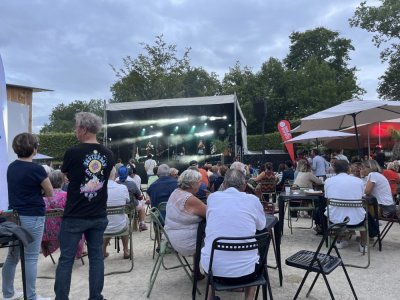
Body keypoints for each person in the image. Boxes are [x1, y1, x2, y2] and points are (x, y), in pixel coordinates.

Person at [54, 112, 114, 300]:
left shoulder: (72, 153)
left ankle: (62, 298)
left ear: (84, 129)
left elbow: (67, 177)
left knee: (66, 259)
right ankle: (96, 297)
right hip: (98, 214)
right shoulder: (108, 153)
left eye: (76, 127)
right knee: (96, 258)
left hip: (75, 214)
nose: (75, 131)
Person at [201, 169, 266, 300]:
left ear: (224, 184)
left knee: (209, 246)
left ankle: (210, 296)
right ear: (244, 185)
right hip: (248, 273)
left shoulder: (213, 198)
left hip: (214, 272)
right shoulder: (253, 200)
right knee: (252, 254)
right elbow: (261, 226)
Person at [3, 133, 54, 300]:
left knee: (13, 256)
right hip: (33, 215)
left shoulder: (11, 167)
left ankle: (8, 293)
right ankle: (31, 296)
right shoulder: (37, 169)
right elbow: (50, 192)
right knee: (31, 257)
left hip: (14, 217)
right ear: (34, 148)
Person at [324, 160, 367, 252]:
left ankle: (339, 241)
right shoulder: (359, 181)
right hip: (357, 219)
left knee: (338, 210)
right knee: (363, 214)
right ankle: (363, 244)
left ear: (335, 169)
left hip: (335, 219)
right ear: (349, 169)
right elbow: (362, 197)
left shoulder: (328, 181)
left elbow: (327, 198)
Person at [42, 170, 85, 259]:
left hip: (49, 233)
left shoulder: (43, 198)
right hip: (67, 231)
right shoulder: (67, 196)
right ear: (62, 182)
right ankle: (77, 251)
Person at [164, 169, 206, 256]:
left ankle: (197, 267)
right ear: (192, 184)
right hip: (187, 243)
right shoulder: (189, 199)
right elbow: (211, 214)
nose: (200, 184)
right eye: (199, 182)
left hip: (173, 237)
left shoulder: (176, 192)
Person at [103, 167, 131, 259]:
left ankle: (103, 250)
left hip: (104, 227)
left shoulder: (99, 189)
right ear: (116, 175)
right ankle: (126, 250)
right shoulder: (123, 188)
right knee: (123, 219)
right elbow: (128, 201)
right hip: (120, 226)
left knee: (109, 220)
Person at [116, 166, 148, 231]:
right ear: (127, 173)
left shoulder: (115, 183)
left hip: (118, 207)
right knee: (142, 207)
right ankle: (142, 223)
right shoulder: (132, 183)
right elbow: (139, 196)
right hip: (131, 207)